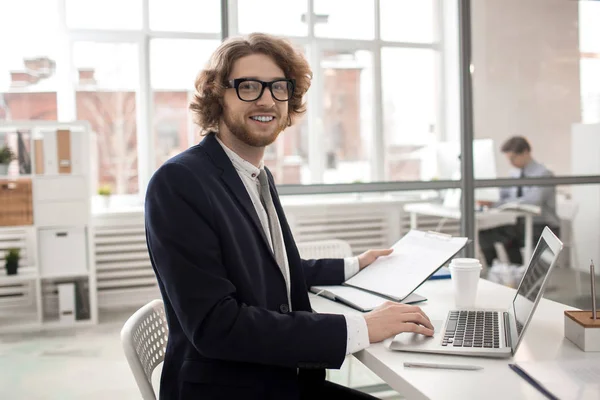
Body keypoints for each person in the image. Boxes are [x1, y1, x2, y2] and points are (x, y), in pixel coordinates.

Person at [144, 33, 434, 400]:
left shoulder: (254, 176)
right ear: (218, 95)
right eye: (248, 86)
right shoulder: (180, 182)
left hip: (280, 381)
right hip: (231, 390)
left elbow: (267, 270)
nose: (266, 99)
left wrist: (354, 265)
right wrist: (361, 326)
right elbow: (218, 326)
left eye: (278, 87)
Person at [478, 136, 560, 266]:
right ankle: (500, 270)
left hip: (542, 225)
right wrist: (488, 197)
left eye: (513, 158)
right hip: (520, 223)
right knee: (485, 234)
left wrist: (496, 204)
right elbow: (503, 194)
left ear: (526, 152)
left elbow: (531, 201)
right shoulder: (514, 174)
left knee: (508, 235)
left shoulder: (543, 174)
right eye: (508, 159)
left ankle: (516, 271)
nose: (511, 162)